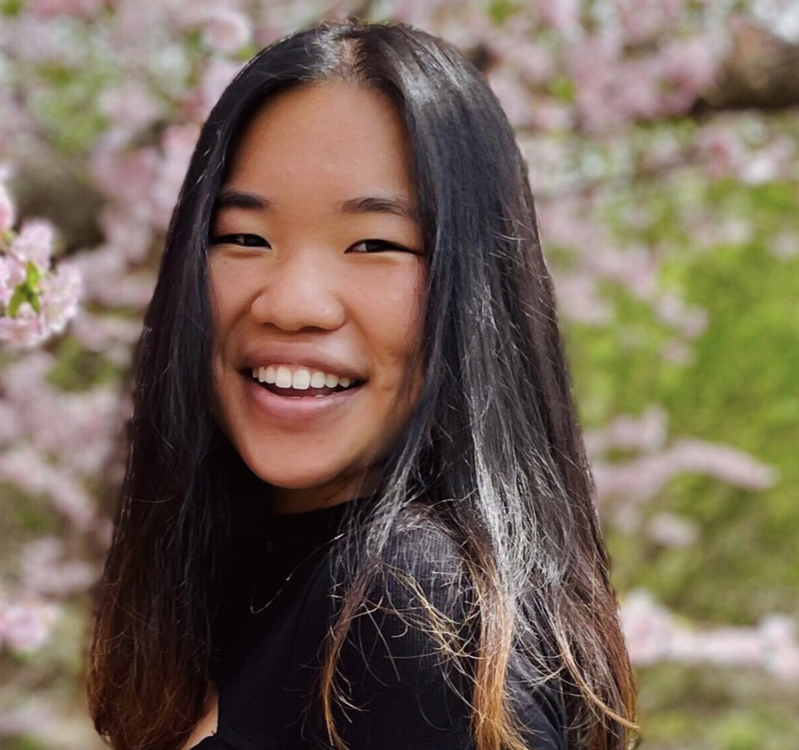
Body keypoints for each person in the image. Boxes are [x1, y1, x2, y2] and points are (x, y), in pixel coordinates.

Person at [87, 19, 637, 750]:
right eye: (244, 238)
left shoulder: (409, 616)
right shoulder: (262, 595)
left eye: (375, 244)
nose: (292, 302)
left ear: (474, 290)